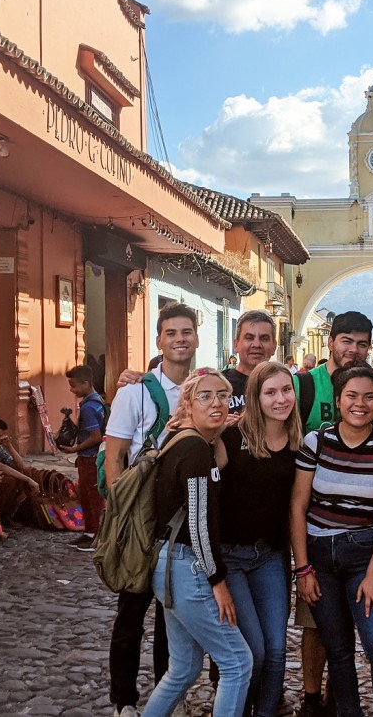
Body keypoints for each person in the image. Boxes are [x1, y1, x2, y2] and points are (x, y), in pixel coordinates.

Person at [290, 365, 373, 717]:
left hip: (366, 555)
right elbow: (298, 506)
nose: (360, 404)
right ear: (338, 400)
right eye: (352, 396)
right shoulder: (317, 443)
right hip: (319, 558)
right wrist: (302, 569)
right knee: (338, 649)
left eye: (369, 397)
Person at [105, 302, 200, 717]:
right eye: (171, 333)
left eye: (186, 332)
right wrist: (120, 515)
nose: (180, 339)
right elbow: (114, 457)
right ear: (159, 340)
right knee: (131, 613)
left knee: (172, 618)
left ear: (196, 338)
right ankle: (123, 700)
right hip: (141, 521)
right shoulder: (135, 392)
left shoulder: (203, 389)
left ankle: (169, 697)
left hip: (181, 520)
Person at [143, 369, 251, 717]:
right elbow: (199, 523)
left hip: (169, 563)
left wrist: (216, 432)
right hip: (188, 567)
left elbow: (221, 464)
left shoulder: (186, 440)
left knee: (183, 669)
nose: (216, 403)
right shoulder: (192, 449)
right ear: (188, 404)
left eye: (223, 395)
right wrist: (218, 582)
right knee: (237, 662)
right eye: (205, 396)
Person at [291, 310, 373, 715]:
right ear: (330, 342)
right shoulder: (304, 385)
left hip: (358, 530)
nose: (353, 350)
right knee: (313, 621)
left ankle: (335, 694)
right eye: (347, 341)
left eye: (361, 344)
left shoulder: (371, 387)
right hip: (311, 525)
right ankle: (311, 697)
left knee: (350, 620)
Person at [219, 361, 302, 717]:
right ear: (255, 396)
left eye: (286, 390)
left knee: (278, 650)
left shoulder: (298, 443)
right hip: (230, 557)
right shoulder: (230, 437)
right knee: (254, 651)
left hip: (269, 555)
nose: (280, 399)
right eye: (270, 392)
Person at [59, 365, 106, 552]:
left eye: (74, 386)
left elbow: (95, 437)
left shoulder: (88, 407)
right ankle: (89, 532)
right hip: (93, 457)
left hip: (90, 458)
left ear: (85, 383)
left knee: (91, 498)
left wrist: (75, 448)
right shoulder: (97, 401)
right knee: (88, 496)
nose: (72, 390)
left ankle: (95, 536)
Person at [0, 418, 41, 520]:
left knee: (19, 476)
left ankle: (8, 514)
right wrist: (28, 479)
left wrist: (10, 447)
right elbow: (1, 466)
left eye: (1, 437)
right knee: (9, 481)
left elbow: (21, 466)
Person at [224, 310, 278, 415]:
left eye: (264, 338)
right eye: (249, 338)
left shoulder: (284, 386)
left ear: (274, 346)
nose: (256, 344)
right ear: (236, 344)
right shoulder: (220, 385)